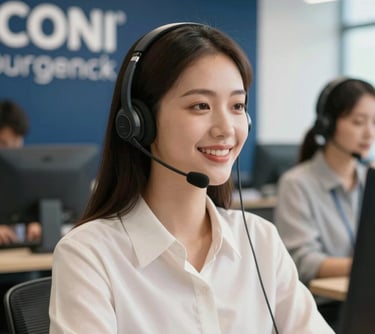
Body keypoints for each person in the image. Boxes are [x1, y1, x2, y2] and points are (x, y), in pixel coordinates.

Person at [49, 22, 333, 333]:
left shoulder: (259, 239)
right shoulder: (90, 254)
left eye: (237, 106)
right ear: (139, 122)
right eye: (201, 105)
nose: (226, 128)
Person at [274, 77, 375, 328]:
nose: (369, 133)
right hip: (323, 310)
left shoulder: (369, 179)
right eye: (358, 122)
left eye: (374, 122)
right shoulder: (297, 183)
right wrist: (364, 268)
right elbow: (303, 262)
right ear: (327, 125)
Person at [0, 100, 42, 245]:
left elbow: (30, 212)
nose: (11, 152)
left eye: (16, 143)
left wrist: (36, 223)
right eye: (3, 143)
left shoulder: (26, 173)